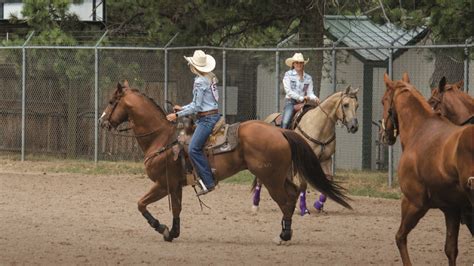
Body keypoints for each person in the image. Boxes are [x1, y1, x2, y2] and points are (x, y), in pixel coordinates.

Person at [166, 50, 220, 196]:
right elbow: (200, 103)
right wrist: (183, 108)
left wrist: (176, 115)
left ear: (194, 66)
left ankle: (208, 182)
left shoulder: (199, 81)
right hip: (213, 115)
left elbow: (196, 107)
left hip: (206, 119)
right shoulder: (210, 77)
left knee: (193, 149)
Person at [280, 53, 320, 129]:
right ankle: (282, 136)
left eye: (301, 62)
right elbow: (288, 91)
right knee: (285, 122)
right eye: (297, 62)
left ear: (303, 64)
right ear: (293, 64)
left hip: (303, 103)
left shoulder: (308, 78)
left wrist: (315, 98)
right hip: (291, 103)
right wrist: (301, 98)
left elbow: (310, 93)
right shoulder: (288, 75)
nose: (299, 64)